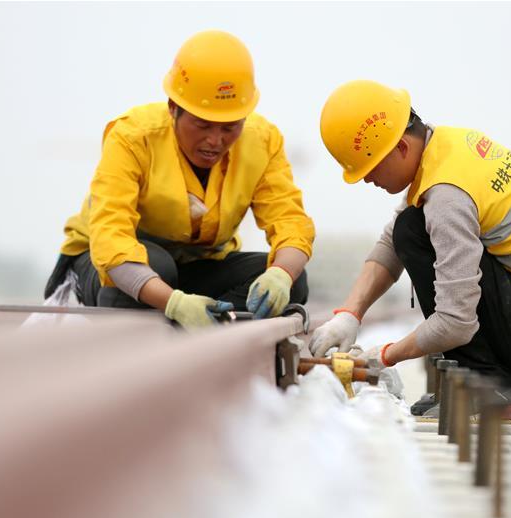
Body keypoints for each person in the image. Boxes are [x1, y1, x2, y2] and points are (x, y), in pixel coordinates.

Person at [310, 80, 511, 418]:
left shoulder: (446, 196)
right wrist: (349, 315)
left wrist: (384, 356)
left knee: (413, 230)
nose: (368, 180)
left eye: (371, 169)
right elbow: (390, 243)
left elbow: (456, 322)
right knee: (409, 227)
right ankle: (482, 383)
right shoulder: (444, 147)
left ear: (400, 148)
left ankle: (493, 395)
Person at [45, 30, 314, 328]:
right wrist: (173, 302)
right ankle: (173, 310)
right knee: (157, 265)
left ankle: (199, 317)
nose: (215, 140)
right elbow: (112, 237)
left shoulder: (262, 142)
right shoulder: (133, 137)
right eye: (203, 125)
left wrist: (281, 275)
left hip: (189, 267)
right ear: (173, 108)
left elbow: (290, 221)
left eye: (229, 128)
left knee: (293, 280)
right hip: (111, 267)